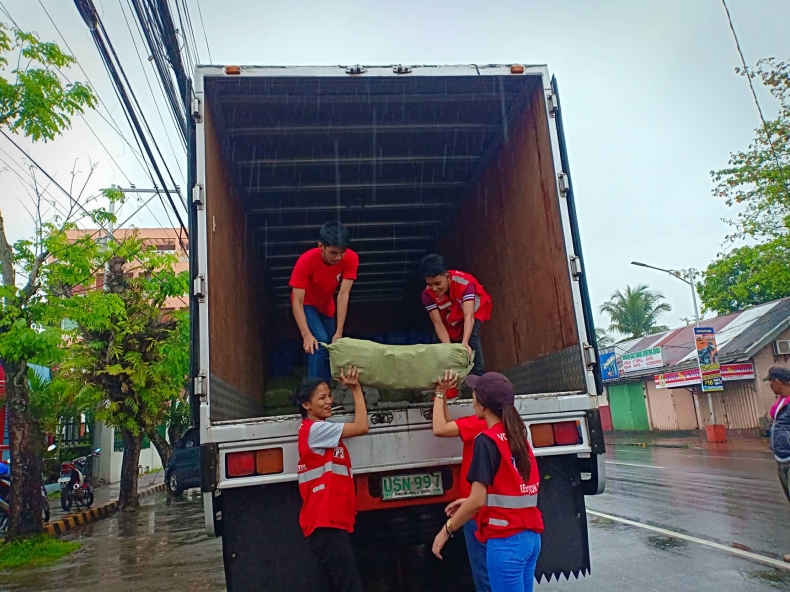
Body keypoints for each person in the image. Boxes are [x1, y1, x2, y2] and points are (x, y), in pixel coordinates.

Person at [432, 372, 543, 592]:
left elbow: (477, 502)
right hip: (530, 539)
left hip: (506, 542)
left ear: (482, 405)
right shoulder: (518, 435)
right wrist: (470, 498)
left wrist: (446, 530)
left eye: (474, 394)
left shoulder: (485, 440)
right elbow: (513, 488)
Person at [292, 366, 368, 592]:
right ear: (306, 405)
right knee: (349, 586)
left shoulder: (316, 430)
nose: (329, 402)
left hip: (328, 522)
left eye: (330, 396)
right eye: (322, 398)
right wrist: (356, 389)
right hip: (325, 523)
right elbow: (362, 426)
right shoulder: (316, 430)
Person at [432, 370, 491, 592]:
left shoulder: (478, 426)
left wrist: (439, 393)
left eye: (475, 394)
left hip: (476, 512)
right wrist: (444, 395)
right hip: (491, 510)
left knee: (485, 579)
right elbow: (447, 422)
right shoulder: (499, 425)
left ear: (484, 405)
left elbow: (439, 428)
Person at [290, 221, 359, 383]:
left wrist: (339, 332)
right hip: (306, 303)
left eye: (342, 252)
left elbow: (343, 295)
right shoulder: (305, 261)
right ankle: (314, 392)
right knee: (318, 343)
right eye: (333, 252)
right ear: (321, 246)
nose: (338, 257)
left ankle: (327, 393)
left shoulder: (351, 258)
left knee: (331, 347)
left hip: (326, 306)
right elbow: (297, 302)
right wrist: (306, 334)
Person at [420, 254, 492, 378]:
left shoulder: (465, 283)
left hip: (471, 311)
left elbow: (468, 316)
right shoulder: (427, 294)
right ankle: (443, 381)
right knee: (438, 342)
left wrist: (464, 344)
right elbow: (438, 323)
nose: (434, 288)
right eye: (430, 284)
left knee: (471, 337)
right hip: (449, 314)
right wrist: (449, 349)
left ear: (447, 276)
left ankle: (478, 376)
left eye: (437, 283)